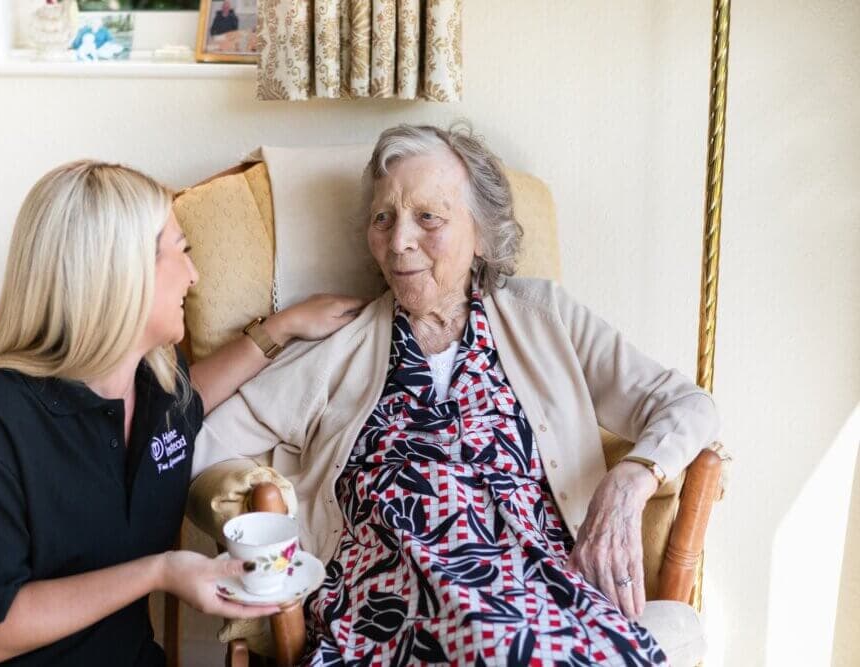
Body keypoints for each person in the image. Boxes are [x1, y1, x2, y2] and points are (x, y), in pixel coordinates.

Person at [192, 124, 721, 665]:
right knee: (493, 640)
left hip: (533, 580)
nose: (398, 241)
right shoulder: (339, 344)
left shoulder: (544, 318)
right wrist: (277, 332)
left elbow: (688, 405)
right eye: (383, 218)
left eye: (428, 218)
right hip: (389, 587)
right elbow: (202, 438)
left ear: (482, 234)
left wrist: (632, 479)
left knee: (516, 638)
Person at [0, 160, 364, 666]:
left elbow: (198, 395)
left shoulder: (156, 390)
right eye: (182, 252)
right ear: (121, 273)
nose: (194, 275)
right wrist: (160, 572)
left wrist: (284, 327)